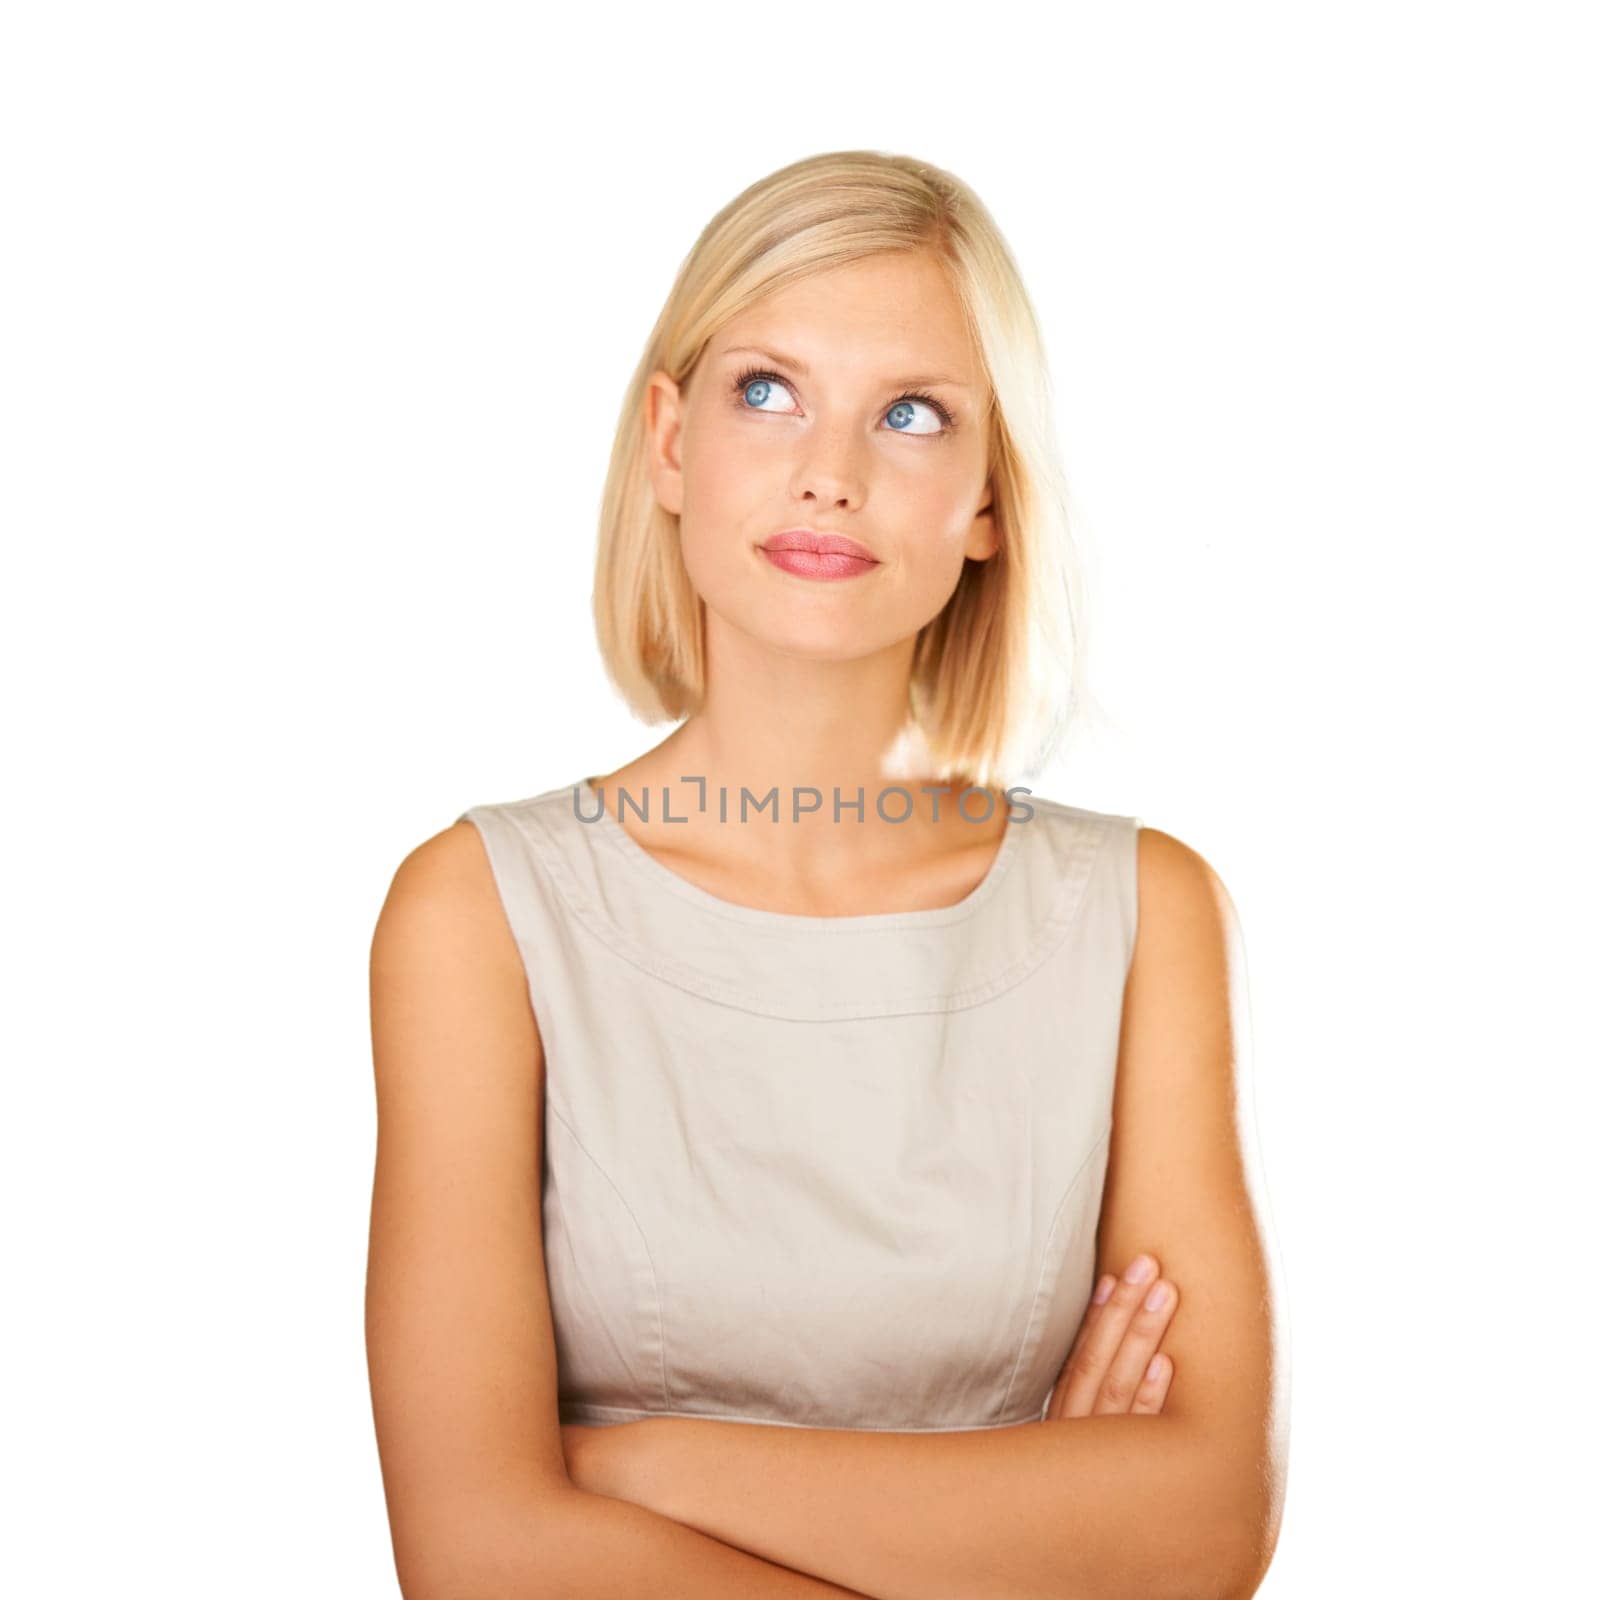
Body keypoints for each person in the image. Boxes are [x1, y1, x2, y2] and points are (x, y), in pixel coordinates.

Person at [365, 149, 1287, 1599]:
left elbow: (1206, 1525)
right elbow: (477, 1554)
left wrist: (634, 1465)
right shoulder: (481, 914)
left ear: (989, 502)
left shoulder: (1139, 917)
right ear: (670, 443)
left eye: (912, 415)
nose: (829, 473)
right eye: (767, 390)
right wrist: (1027, 1522)